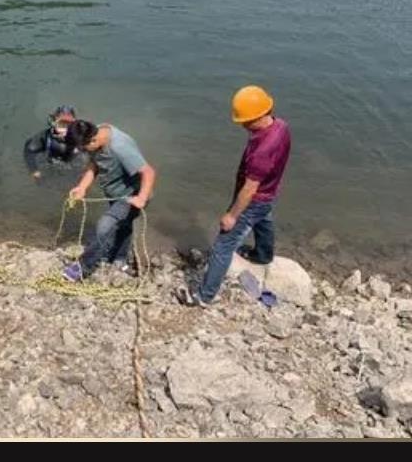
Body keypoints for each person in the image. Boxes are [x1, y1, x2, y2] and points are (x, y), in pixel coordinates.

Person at [178, 85, 292, 307]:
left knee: (223, 246)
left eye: (246, 121)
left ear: (259, 116)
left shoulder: (262, 151)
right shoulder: (281, 126)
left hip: (254, 198)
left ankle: (204, 296)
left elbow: (249, 189)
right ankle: (263, 255)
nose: (243, 125)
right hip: (269, 191)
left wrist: (232, 215)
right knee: (264, 218)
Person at [62, 120, 156, 282]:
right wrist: (82, 187)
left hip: (131, 196)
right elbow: (94, 165)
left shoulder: (120, 148)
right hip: (115, 193)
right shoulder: (97, 132)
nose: (82, 151)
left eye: (83, 148)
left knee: (104, 227)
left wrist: (141, 198)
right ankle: (120, 259)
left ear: (93, 141)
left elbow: (148, 172)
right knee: (124, 225)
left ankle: (83, 267)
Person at [23, 106, 80, 180]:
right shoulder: (45, 137)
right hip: (50, 164)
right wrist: (34, 170)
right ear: (54, 123)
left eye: (69, 125)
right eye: (61, 124)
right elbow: (29, 150)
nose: (65, 129)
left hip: (74, 167)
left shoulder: (80, 137)